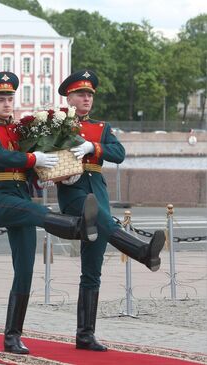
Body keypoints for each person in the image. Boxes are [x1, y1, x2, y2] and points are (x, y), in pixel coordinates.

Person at [0, 71, 101, 355]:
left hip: (20, 195)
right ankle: (78, 227)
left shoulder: (18, 131)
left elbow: (31, 169)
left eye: (9, 98)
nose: (6, 103)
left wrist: (50, 175)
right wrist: (33, 158)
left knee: (25, 270)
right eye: (0, 99)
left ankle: (12, 336)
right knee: (34, 211)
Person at [57, 70, 165, 352]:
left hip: (98, 196)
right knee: (97, 219)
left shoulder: (101, 128)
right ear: (69, 97)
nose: (86, 99)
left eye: (90, 94)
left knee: (92, 270)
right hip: (73, 194)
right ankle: (142, 251)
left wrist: (93, 146)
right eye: (81, 94)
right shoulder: (55, 124)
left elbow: (119, 154)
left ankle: (85, 335)